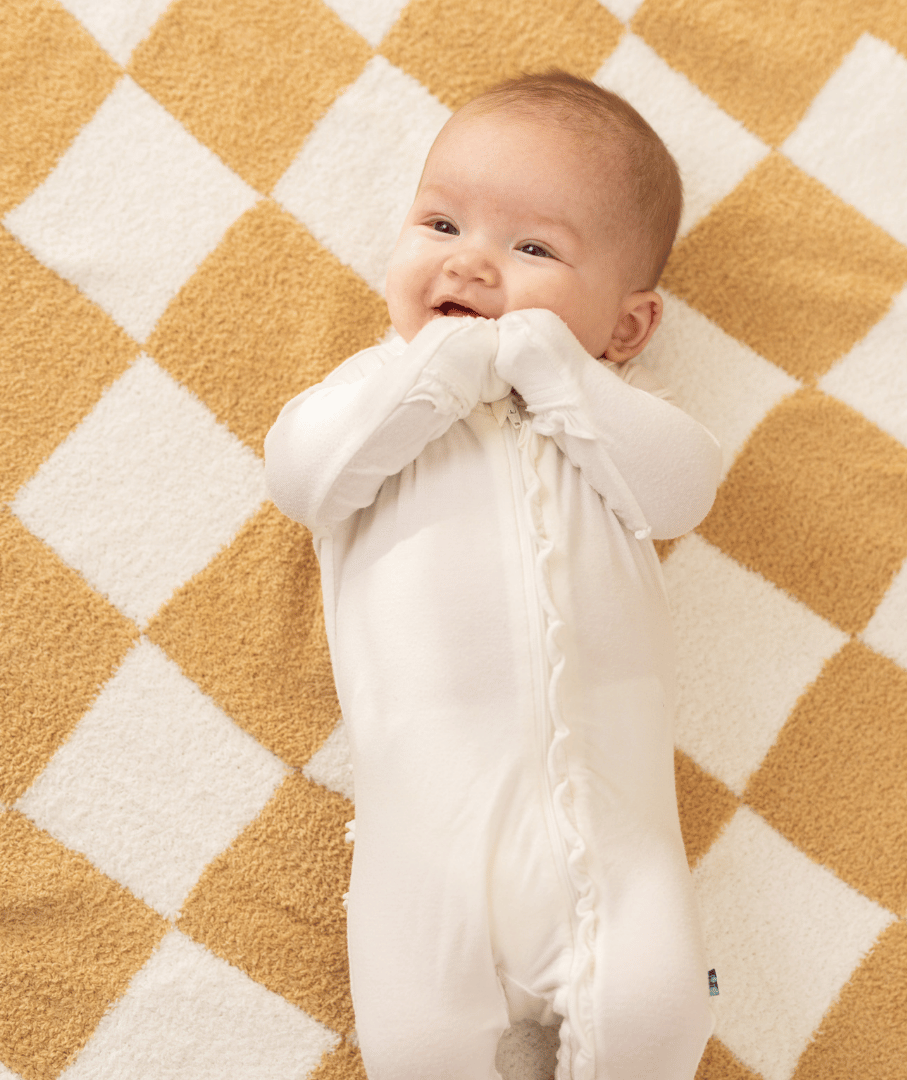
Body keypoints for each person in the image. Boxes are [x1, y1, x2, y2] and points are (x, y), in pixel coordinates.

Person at [265, 70, 722, 1080]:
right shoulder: (376, 392)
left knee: (661, 1015)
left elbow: (686, 490)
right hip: (426, 843)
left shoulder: (609, 418)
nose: (472, 261)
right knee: (420, 1043)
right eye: (441, 223)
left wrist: (563, 374)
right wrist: (445, 368)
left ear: (628, 327)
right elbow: (301, 474)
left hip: (617, 843)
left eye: (533, 248)